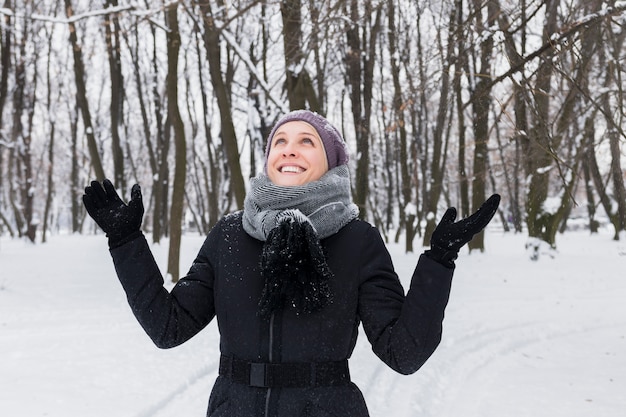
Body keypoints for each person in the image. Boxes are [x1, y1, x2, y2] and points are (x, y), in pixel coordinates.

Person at [83, 110, 500, 417]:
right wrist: (125, 241)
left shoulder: (358, 240)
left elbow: (403, 353)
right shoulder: (229, 235)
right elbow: (168, 327)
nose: (289, 149)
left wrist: (439, 261)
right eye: (280, 141)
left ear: (331, 161)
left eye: (307, 141)